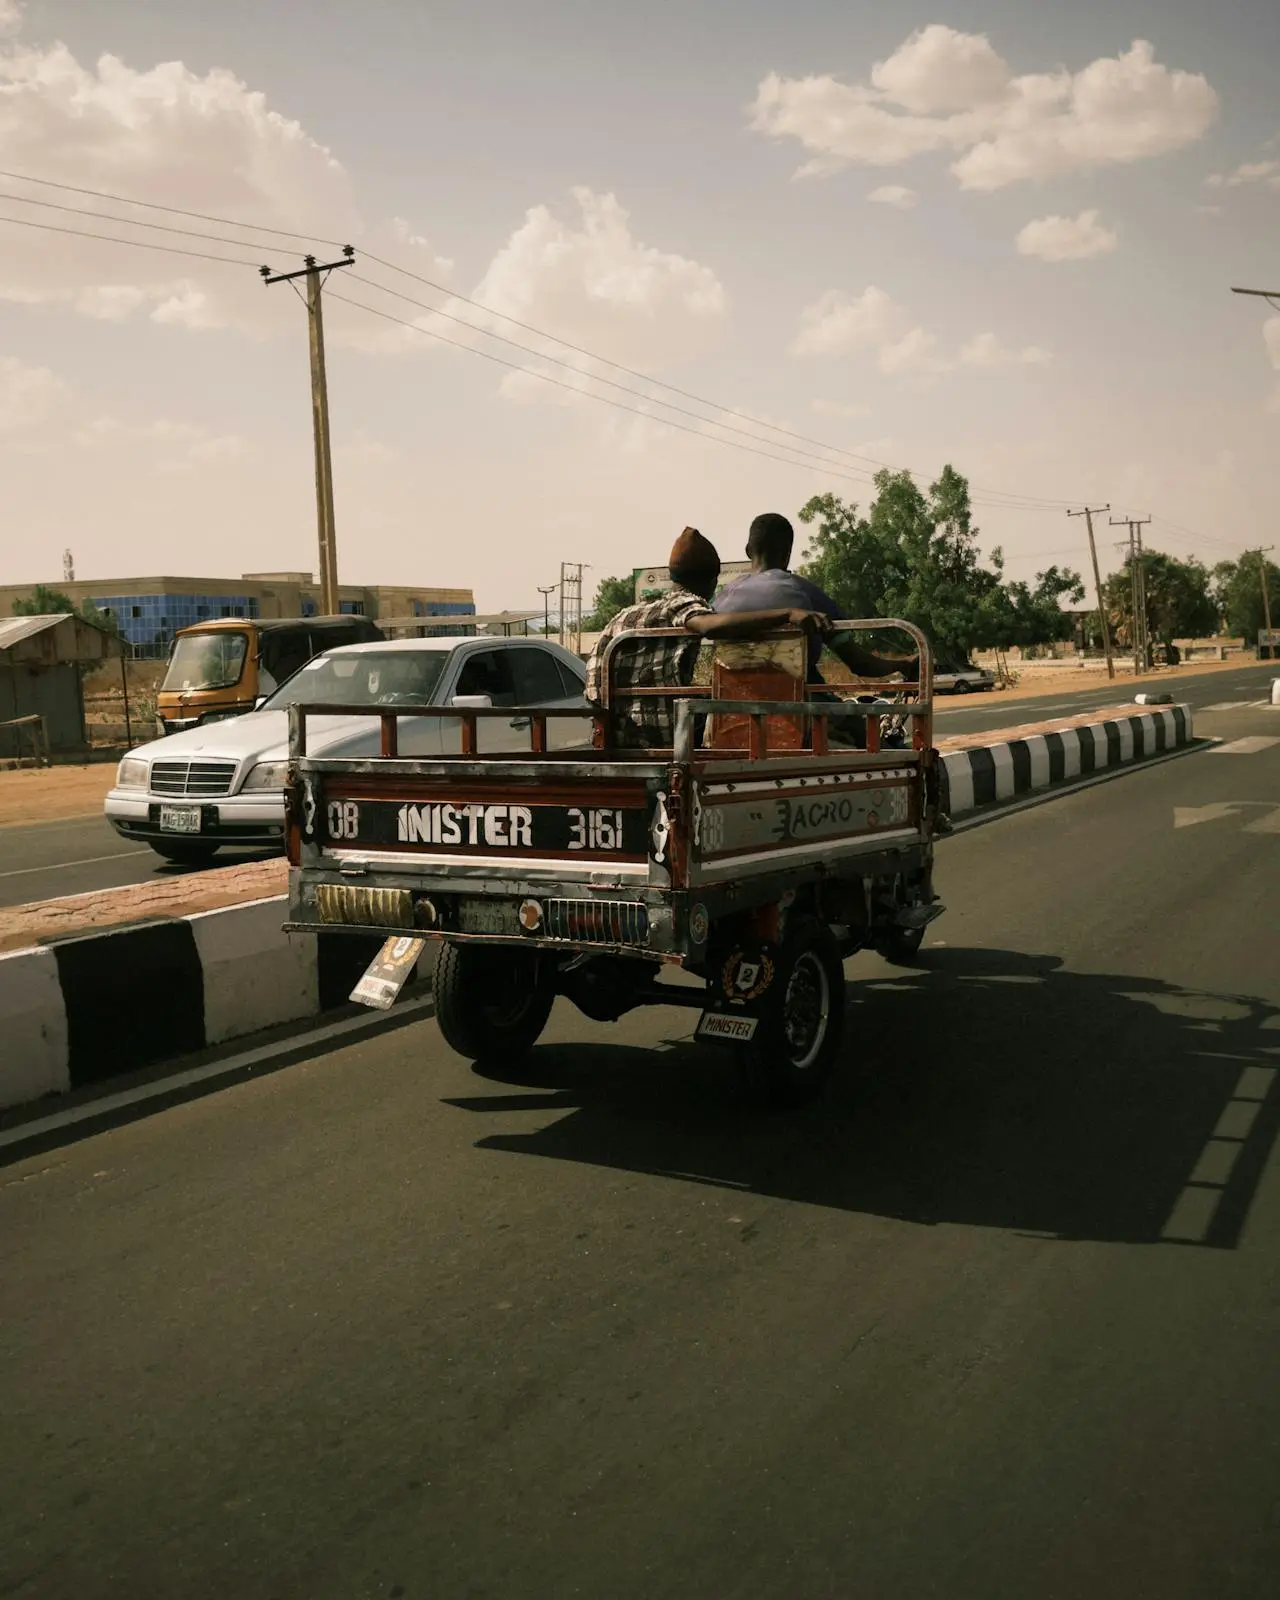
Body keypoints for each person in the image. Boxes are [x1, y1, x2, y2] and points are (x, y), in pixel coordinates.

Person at [585, 526, 831, 749]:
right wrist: (788, 614)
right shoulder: (683, 604)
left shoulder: (626, 615)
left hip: (614, 740)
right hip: (664, 741)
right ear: (712, 582)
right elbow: (709, 626)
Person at [714, 511, 919, 746]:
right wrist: (904, 664)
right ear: (787, 553)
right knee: (872, 737)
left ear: (748, 550)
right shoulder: (803, 591)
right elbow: (860, 664)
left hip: (732, 713)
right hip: (804, 707)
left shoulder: (722, 599)